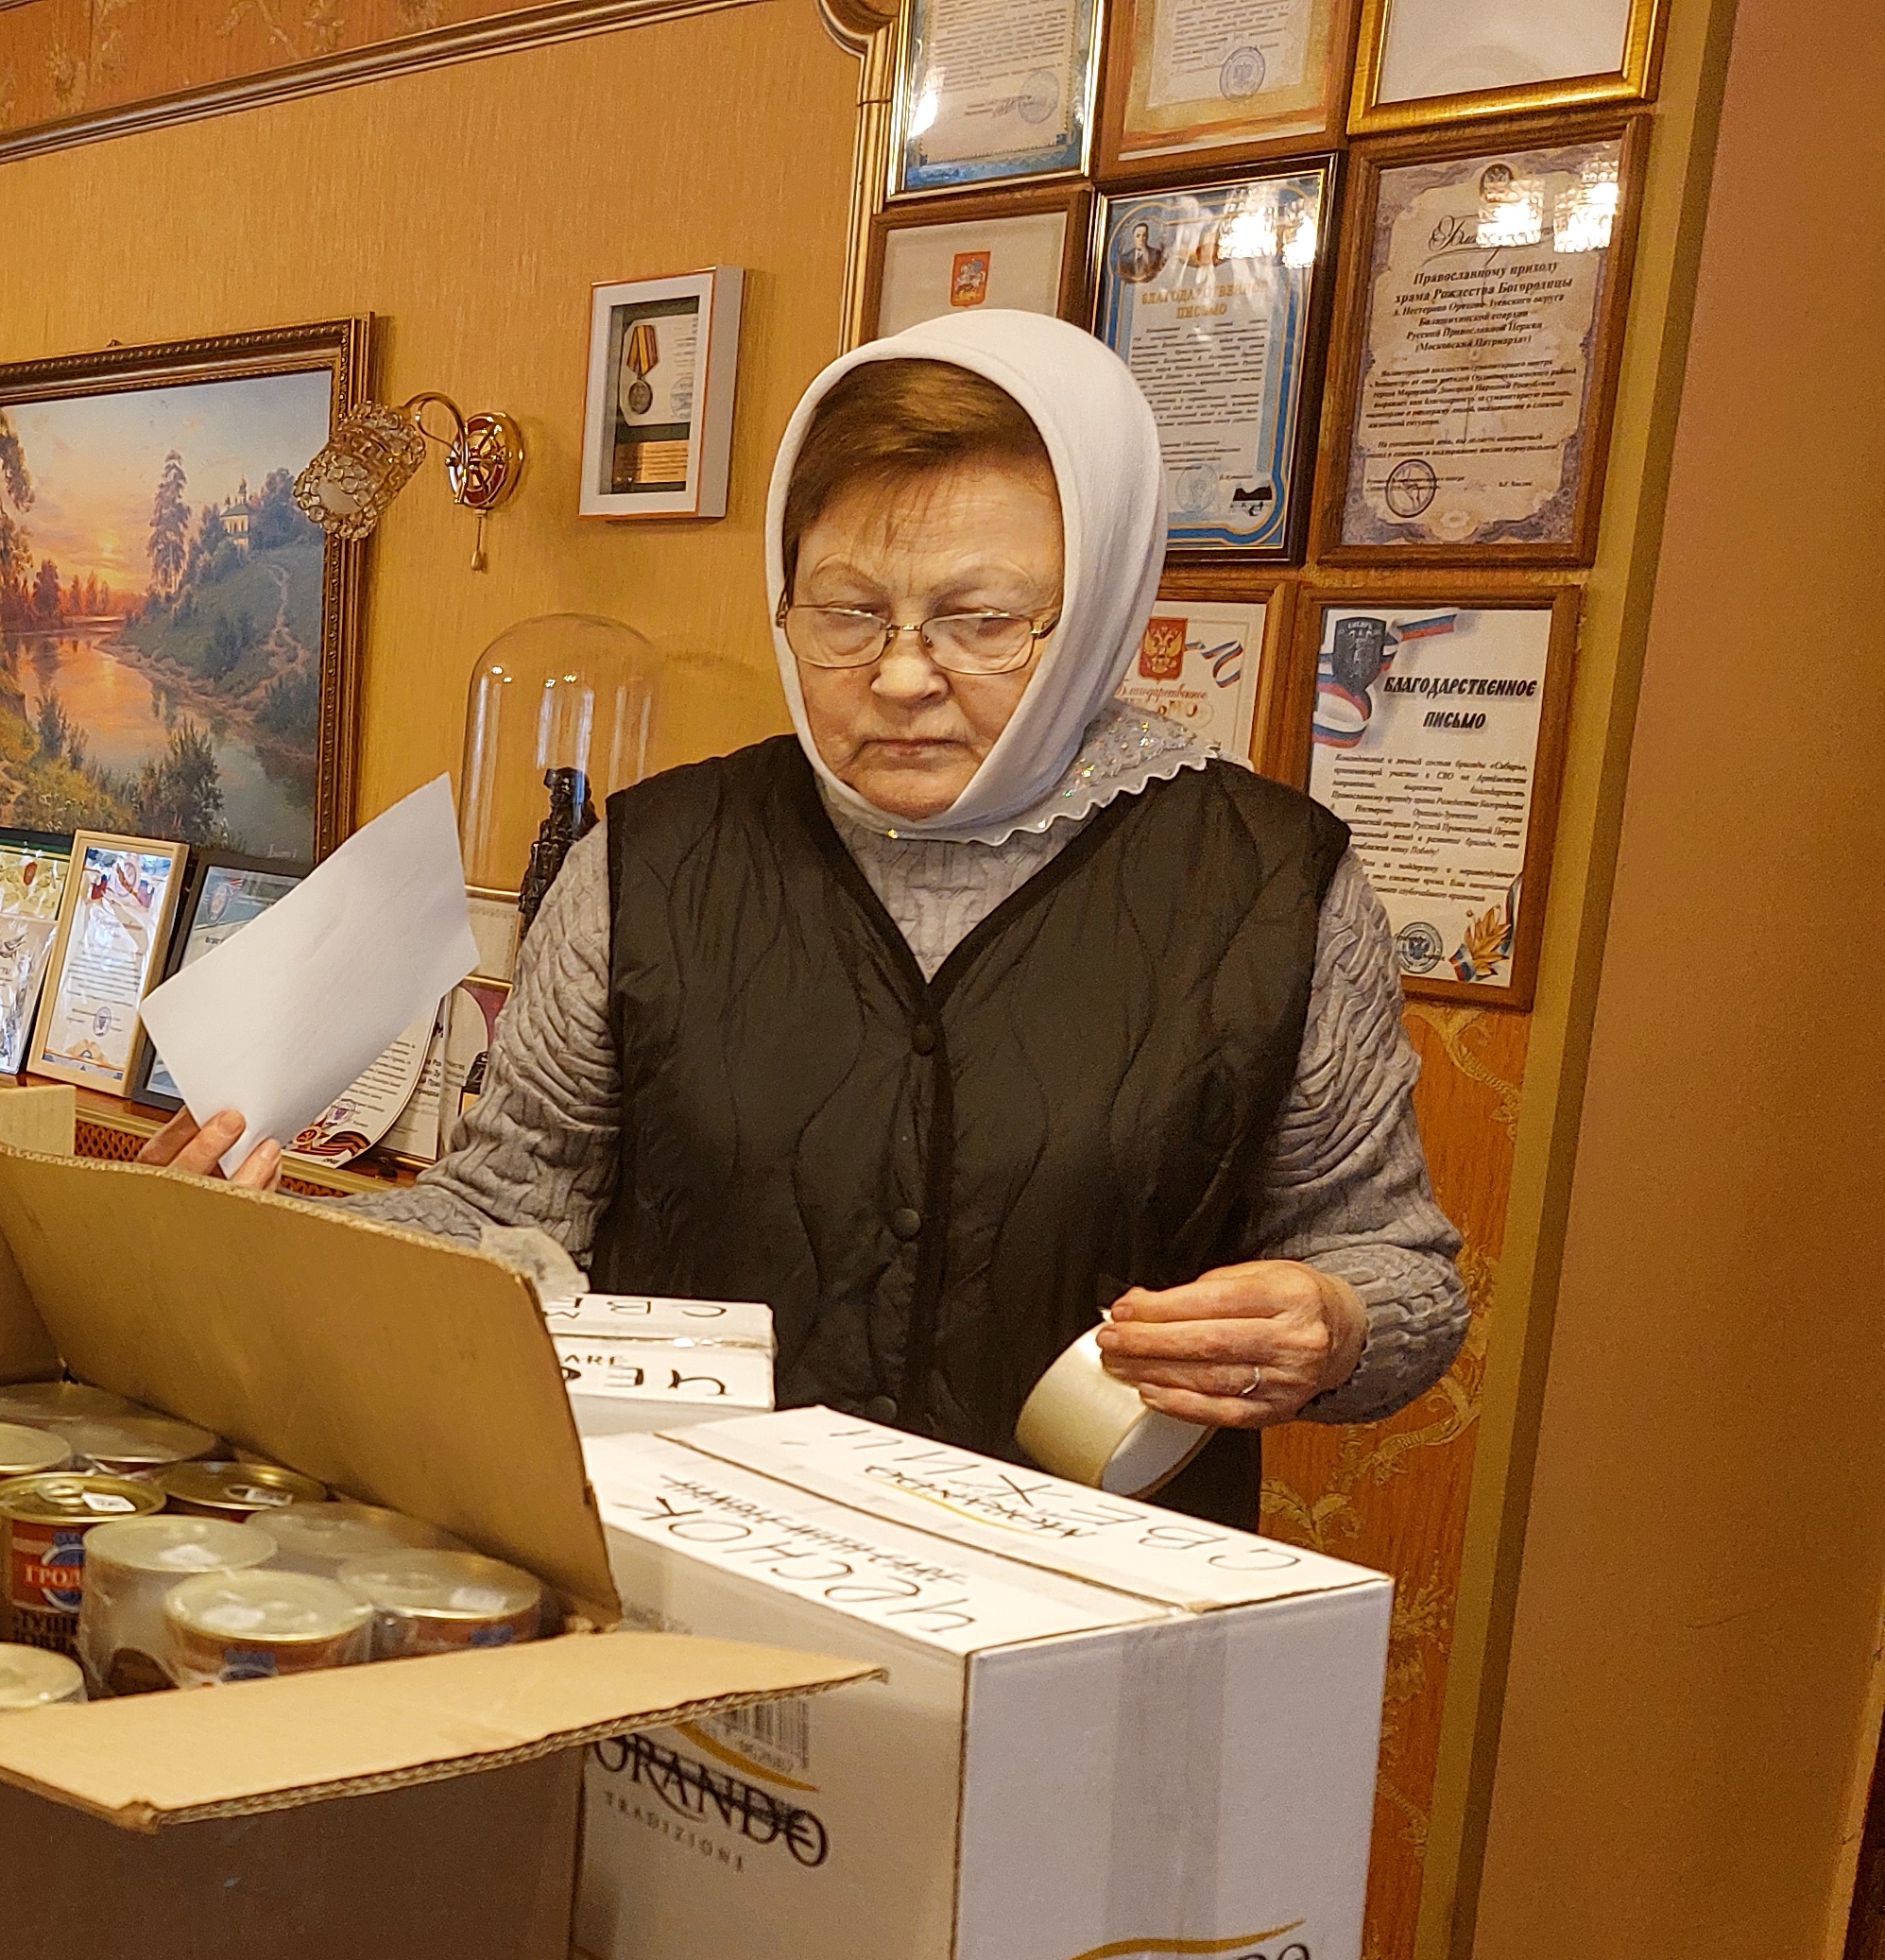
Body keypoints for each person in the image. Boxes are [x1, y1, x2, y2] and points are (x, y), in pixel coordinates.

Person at [143, 311, 1463, 1527]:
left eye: (981, 621)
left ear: (1104, 605)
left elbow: (1398, 1268)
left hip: (1087, 1603)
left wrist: (1334, 1324)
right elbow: (506, 1210)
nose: (900, 676)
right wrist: (262, 1257)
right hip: (684, 1569)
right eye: (846, 614)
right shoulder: (650, 862)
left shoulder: (1267, 887)